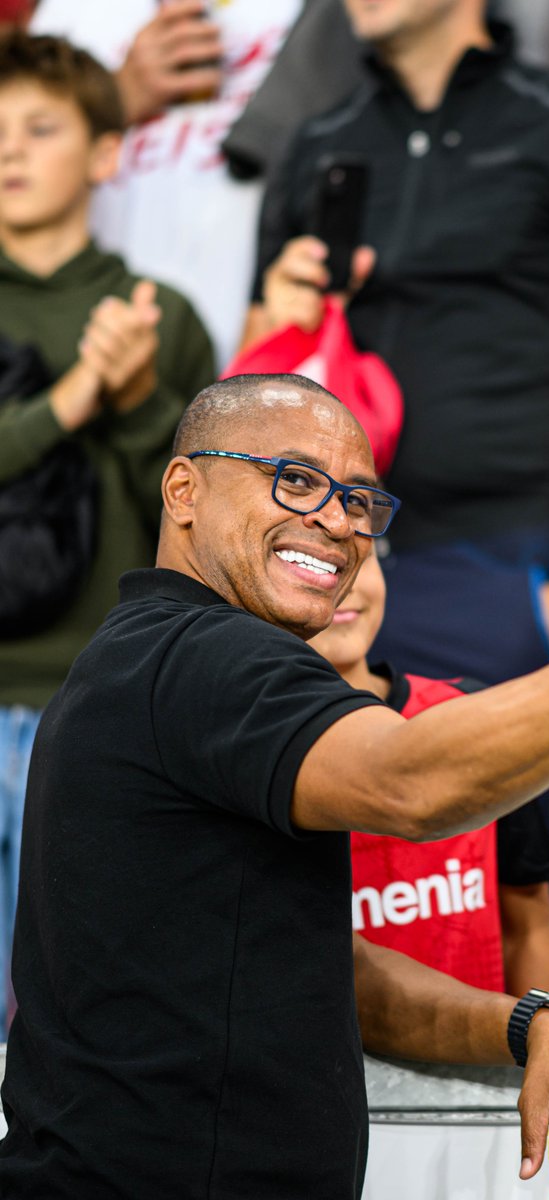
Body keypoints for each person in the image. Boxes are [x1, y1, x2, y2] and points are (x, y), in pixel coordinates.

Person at [0, 370, 549, 1198]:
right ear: (183, 490)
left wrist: (525, 1020)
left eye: (359, 500)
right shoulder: (201, 654)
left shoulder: (149, 662)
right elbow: (414, 783)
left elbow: (327, 976)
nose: (336, 521)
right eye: (296, 480)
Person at [247, 0, 549, 1021]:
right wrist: (275, 313)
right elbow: (254, 399)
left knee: (533, 892)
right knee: (323, 893)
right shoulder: (316, 142)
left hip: (513, 572)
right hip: (335, 566)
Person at [0, 31, 214, 1031]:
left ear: (104, 152)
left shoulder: (160, 316)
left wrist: (134, 402)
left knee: (86, 1010)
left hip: (105, 704)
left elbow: (199, 521)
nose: (9, 149)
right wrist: (75, 394)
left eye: (39, 127)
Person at [310, 553, 549, 996]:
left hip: (487, 1040)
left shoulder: (470, 716)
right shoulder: (240, 746)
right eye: (310, 564)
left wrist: (548, 1031)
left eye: (358, 559)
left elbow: (531, 920)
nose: (342, 582)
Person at [30, 0, 305, 367]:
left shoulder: (315, 10)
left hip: (267, 335)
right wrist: (115, 98)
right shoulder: (71, 11)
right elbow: (19, 155)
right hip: (103, 341)